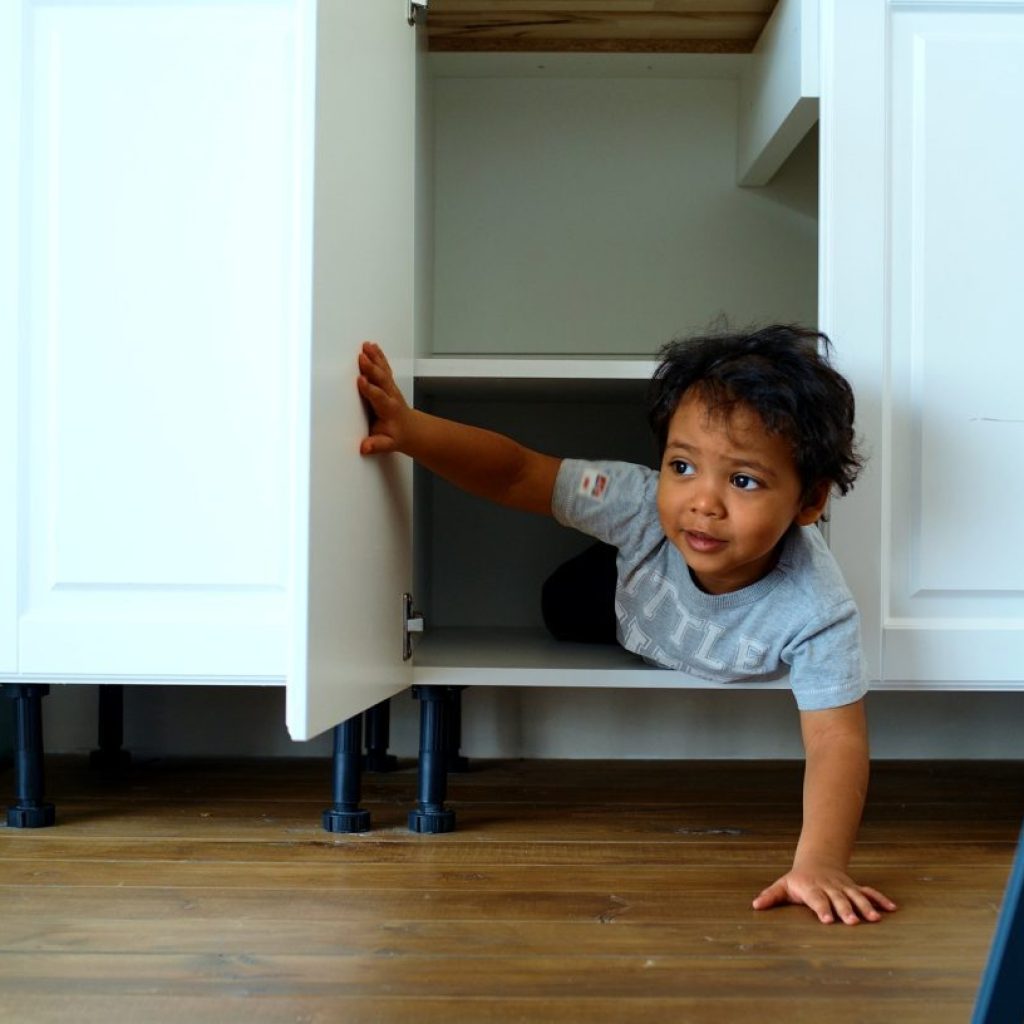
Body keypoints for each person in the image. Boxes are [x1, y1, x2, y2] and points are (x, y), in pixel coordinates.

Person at [356, 325, 898, 926]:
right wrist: (411, 432)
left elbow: (835, 741)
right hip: (620, 597)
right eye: (683, 465)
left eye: (743, 481)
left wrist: (819, 861)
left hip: (671, 612)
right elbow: (517, 473)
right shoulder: (639, 502)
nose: (704, 502)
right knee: (560, 600)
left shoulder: (816, 608)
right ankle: (614, 552)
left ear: (809, 502)